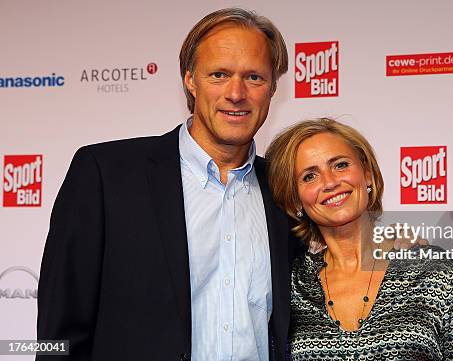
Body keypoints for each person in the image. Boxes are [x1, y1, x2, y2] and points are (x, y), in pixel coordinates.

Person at [36, 8, 303, 361]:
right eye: (219, 74)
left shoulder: (286, 191)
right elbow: (59, 331)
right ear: (190, 80)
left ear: (272, 88)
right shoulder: (105, 175)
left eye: (254, 77)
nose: (236, 93)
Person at [265, 118, 453, 360]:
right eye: (309, 176)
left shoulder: (431, 267)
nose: (330, 182)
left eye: (340, 165)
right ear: (295, 199)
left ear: (367, 175)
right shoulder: (293, 283)